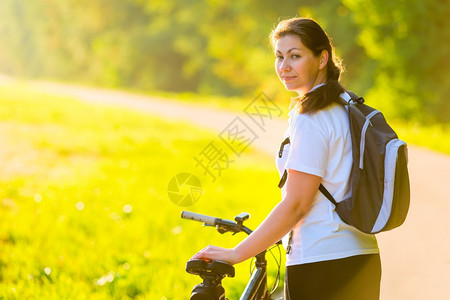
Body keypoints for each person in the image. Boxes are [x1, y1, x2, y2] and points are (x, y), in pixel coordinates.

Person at [192, 17, 381, 299]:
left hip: (322, 262)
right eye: (279, 57)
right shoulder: (346, 107)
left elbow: (296, 204)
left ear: (322, 59)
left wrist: (237, 253)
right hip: (361, 256)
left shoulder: (313, 118)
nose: (284, 66)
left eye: (295, 56)